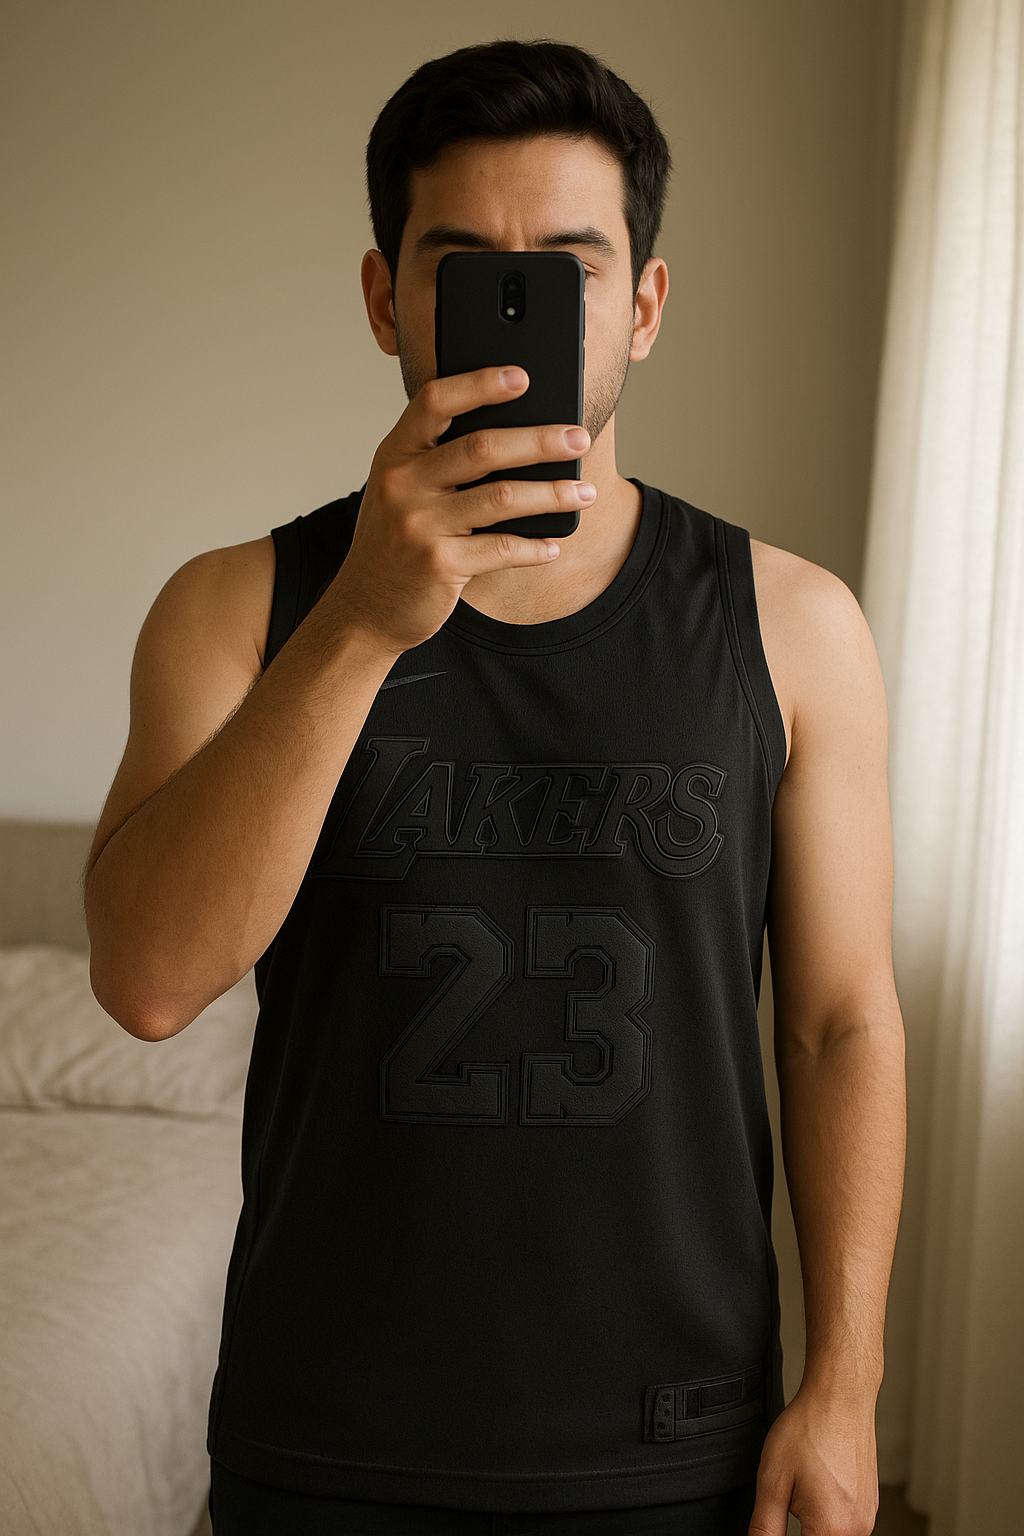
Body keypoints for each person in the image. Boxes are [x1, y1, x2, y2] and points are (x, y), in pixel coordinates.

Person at [84, 39, 906, 1536]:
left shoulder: (794, 627)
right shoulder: (235, 609)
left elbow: (841, 1022)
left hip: (677, 1430)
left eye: (571, 268)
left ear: (644, 305)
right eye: (465, 268)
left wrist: (846, 1387)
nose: (525, 312)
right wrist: (364, 623)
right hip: (329, 1429)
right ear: (385, 300)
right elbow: (146, 982)